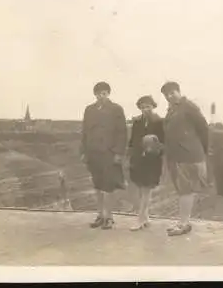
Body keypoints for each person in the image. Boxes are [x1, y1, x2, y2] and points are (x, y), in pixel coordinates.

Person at [161, 81, 209, 236]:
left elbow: (203, 128)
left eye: (172, 93)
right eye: (166, 95)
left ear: (178, 91)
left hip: (188, 155)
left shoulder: (189, 107)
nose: (169, 96)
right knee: (183, 190)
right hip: (177, 156)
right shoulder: (173, 109)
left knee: (185, 190)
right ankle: (183, 222)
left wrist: (200, 150)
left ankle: (183, 224)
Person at [81, 81, 127, 230]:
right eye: (99, 93)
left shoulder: (116, 109)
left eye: (104, 93)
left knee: (108, 186)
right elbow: (85, 132)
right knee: (97, 185)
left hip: (109, 153)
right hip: (93, 153)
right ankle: (100, 215)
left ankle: (109, 217)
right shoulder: (89, 110)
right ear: (95, 94)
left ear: (108, 93)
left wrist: (118, 152)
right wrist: (83, 151)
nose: (102, 96)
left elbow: (122, 132)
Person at [127, 95, 165, 231]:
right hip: (138, 159)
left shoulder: (160, 122)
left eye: (148, 106)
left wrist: (155, 149)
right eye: (142, 107)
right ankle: (146, 217)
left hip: (152, 160)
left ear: (153, 106)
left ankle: (140, 219)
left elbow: (163, 142)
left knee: (146, 190)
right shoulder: (137, 122)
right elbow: (132, 141)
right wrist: (132, 154)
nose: (145, 109)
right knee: (140, 189)